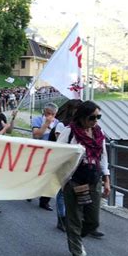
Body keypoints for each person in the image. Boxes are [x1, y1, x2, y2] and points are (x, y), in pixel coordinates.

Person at [57, 101, 110, 256]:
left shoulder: (98, 132)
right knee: (74, 221)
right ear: (82, 116)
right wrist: (63, 179)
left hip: (93, 180)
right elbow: (58, 154)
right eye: (92, 117)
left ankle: (77, 241)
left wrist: (106, 179)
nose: (95, 120)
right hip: (74, 181)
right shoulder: (70, 132)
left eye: (98, 117)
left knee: (93, 221)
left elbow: (103, 157)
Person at [51, 99, 82, 232]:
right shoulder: (62, 125)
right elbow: (60, 145)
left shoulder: (83, 126)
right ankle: (62, 218)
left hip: (79, 164)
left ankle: (79, 219)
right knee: (62, 192)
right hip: (65, 162)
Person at [31, 102, 59, 211]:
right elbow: (37, 135)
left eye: (52, 114)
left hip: (52, 153)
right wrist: (46, 124)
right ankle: (31, 191)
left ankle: (44, 201)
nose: (50, 116)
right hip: (38, 152)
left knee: (50, 177)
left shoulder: (58, 124)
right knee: (36, 174)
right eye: (48, 113)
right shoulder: (38, 120)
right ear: (44, 112)